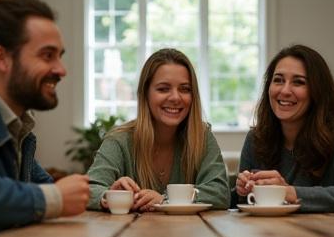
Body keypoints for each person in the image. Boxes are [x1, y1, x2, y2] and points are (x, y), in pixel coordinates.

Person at [0, 0, 90, 237]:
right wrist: (56, 199)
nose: (61, 70)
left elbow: (49, 187)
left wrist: (106, 195)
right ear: (1, 58)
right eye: (47, 55)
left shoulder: (17, 128)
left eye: (59, 57)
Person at [87, 48, 230, 211]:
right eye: (163, 89)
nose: (176, 97)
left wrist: (165, 199)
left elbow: (220, 193)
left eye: (185, 89)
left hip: (189, 235)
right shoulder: (119, 140)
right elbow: (90, 189)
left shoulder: (202, 137)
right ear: (145, 94)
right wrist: (109, 196)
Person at [234, 44, 334, 211]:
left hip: (327, 235)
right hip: (267, 234)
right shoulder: (256, 138)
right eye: (278, 80)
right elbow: (242, 205)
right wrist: (242, 190)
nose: (285, 90)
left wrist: (290, 193)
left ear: (317, 91)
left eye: (298, 82)